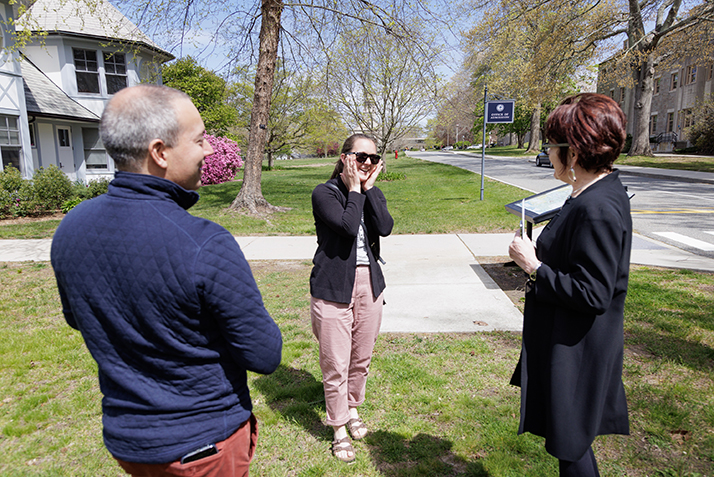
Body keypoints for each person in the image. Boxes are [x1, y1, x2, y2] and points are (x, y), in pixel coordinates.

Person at [51, 84, 282, 477]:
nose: (209, 149)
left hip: (131, 446)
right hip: (202, 448)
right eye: (199, 139)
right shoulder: (203, 242)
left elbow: (79, 318)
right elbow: (265, 355)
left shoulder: (71, 227)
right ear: (160, 152)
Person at [508, 93, 631, 477]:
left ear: (573, 152)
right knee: (570, 444)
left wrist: (533, 266)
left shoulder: (597, 208)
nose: (548, 151)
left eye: (552, 144)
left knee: (571, 445)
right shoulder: (590, 194)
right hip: (569, 341)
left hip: (578, 348)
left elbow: (594, 292)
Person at [309, 133, 394, 463]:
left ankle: (353, 408)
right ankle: (339, 427)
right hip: (333, 286)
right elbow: (345, 226)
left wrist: (369, 189)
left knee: (361, 358)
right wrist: (355, 189)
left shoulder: (372, 192)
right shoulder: (324, 193)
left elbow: (384, 227)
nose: (368, 164)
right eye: (361, 157)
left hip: (368, 284)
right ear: (345, 158)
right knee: (335, 364)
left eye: (374, 158)